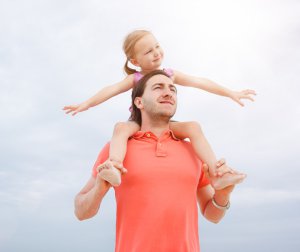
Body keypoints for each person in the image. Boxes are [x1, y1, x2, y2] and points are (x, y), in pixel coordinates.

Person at [74, 70, 245, 252]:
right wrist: (99, 190)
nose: (168, 92)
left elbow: (213, 215)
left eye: (173, 89)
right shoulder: (117, 149)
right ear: (138, 102)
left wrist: (223, 195)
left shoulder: (194, 151)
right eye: (158, 87)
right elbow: (81, 212)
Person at [64, 29, 255, 188]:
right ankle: (114, 166)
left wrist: (230, 92)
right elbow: (111, 90)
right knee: (120, 128)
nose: (156, 52)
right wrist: (86, 104)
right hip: (138, 123)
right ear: (135, 61)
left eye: (157, 46)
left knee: (193, 127)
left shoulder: (170, 74)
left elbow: (200, 82)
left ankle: (217, 172)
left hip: (164, 124)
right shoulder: (135, 78)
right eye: (148, 51)